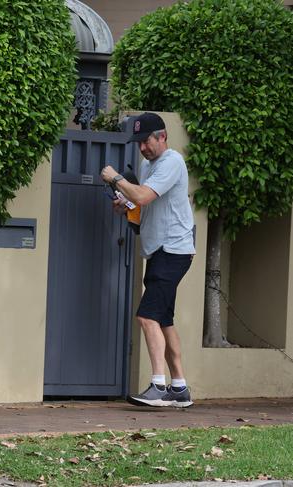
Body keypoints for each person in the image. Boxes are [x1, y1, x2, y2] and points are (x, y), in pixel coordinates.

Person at [101, 112, 195, 408]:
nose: (142, 147)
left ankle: (158, 385)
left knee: (146, 316)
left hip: (173, 250)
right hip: (158, 250)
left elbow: (143, 196)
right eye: (138, 142)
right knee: (164, 320)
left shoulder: (172, 162)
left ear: (162, 137)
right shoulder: (147, 164)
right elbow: (142, 203)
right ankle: (179, 388)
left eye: (146, 141)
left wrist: (116, 178)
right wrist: (124, 203)